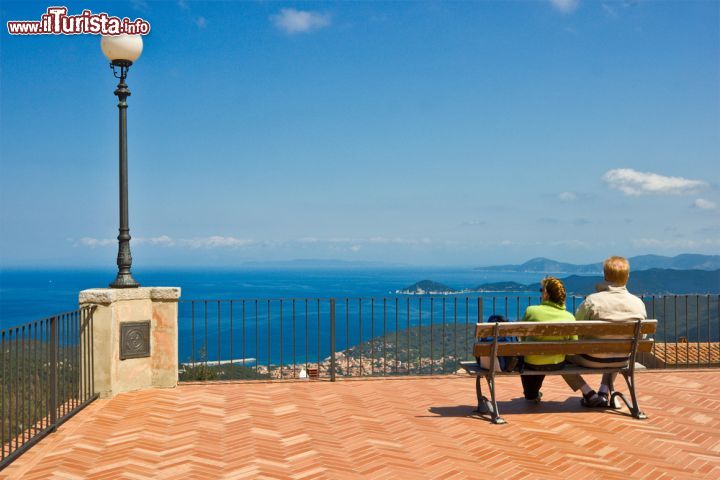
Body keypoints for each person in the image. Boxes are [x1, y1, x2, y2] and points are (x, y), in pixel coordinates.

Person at [563, 256, 647, 407]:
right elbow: (642, 336)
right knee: (616, 345)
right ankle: (603, 391)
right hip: (623, 359)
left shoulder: (592, 301)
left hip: (590, 359)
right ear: (627, 277)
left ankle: (588, 393)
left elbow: (575, 330)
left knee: (559, 357)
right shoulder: (638, 303)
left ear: (605, 276)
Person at [520, 276, 577, 403]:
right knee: (546, 355)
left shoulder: (531, 311)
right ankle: (531, 393)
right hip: (557, 363)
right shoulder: (569, 317)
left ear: (546, 293)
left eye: (541, 290)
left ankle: (531, 393)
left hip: (532, 363)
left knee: (533, 355)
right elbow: (573, 346)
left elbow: (522, 338)